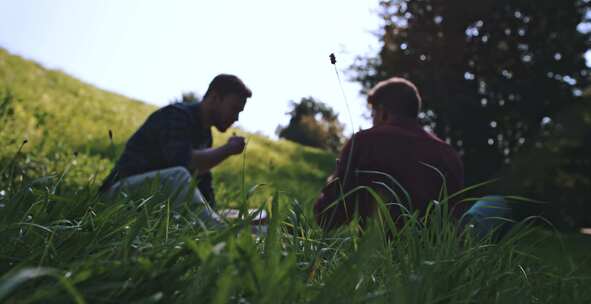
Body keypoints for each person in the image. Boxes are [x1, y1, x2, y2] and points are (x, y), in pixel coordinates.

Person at [99, 74, 251, 227]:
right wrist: (227, 149)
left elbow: (201, 183)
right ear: (215, 98)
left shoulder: (205, 135)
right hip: (118, 194)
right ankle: (220, 232)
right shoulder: (176, 115)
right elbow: (183, 161)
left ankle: (246, 234)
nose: (236, 117)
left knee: (251, 223)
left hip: (149, 201)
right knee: (178, 175)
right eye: (234, 109)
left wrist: (216, 211)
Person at [314, 77, 465, 231]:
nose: (372, 119)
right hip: (437, 254)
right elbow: (455, 220)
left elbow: (329, 217)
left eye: (373, 113)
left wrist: (333, 179)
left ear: (383, 112)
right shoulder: (448, 154)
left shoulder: (364, 142)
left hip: (377, 251)